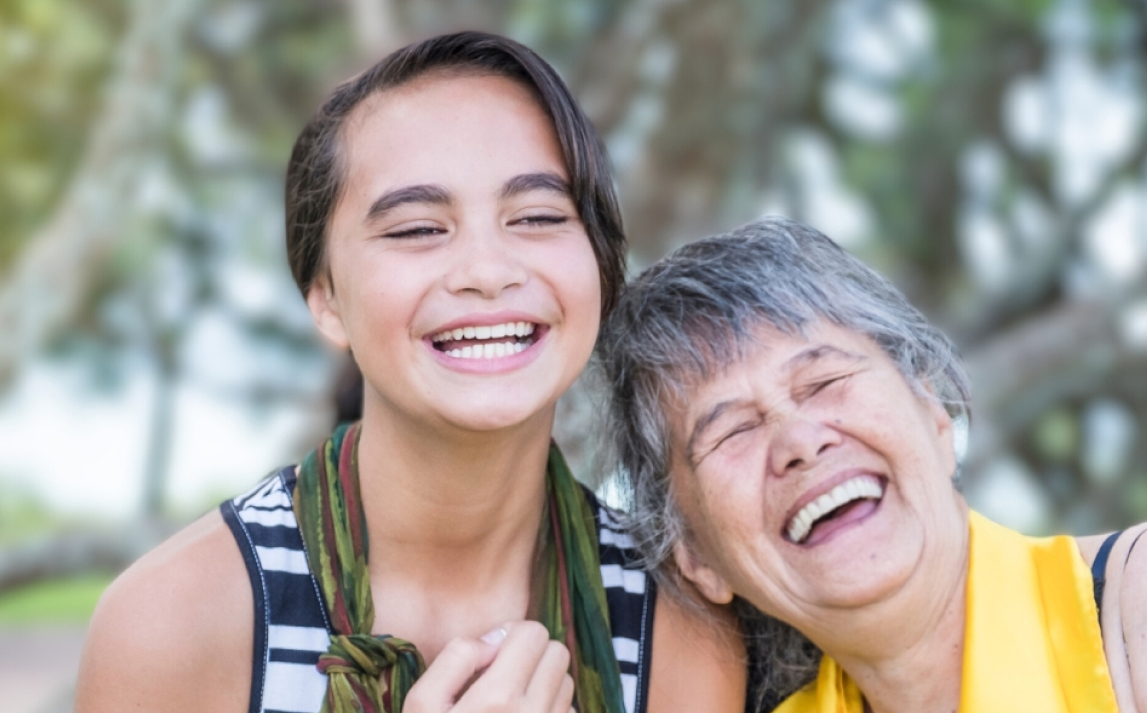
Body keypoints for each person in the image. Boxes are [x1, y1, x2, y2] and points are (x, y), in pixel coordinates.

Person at [76, 32, 744, 713]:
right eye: (417, 228)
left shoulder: (679, 622)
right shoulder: (174, 623)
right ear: (328, 300)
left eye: (539, 216)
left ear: (600, 269)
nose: (487, 272)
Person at [598, 216, 1147, 713]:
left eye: (825, 380)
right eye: (733, 431)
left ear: (935, 414)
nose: (800, 443)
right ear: (698, 557)